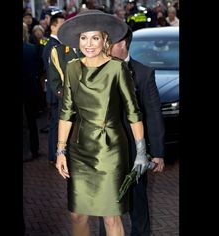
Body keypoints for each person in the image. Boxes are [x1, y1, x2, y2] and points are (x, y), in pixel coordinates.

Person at [55, 10, 152, 236]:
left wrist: (140, 151)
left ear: (104, 40)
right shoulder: (72, 68)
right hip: (80, 152)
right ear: (78, 41)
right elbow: (66, 111)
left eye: (95, 37)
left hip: (111, 152)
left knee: (111, 216)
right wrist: (61, 150)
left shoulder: (117, 68)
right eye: (84, 38)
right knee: (77, 214)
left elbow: (133, 112)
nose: (89, 44)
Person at [99, 27, 165, 236]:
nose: (105, 48)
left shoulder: (144, 73)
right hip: (105, 154)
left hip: (134, 154)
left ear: (122, 44)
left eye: (109, 43)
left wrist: (158, 153)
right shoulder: (97, 71)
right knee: (107, 210)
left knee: (138, 206)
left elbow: (154, 115)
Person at [42, 12, 70, 164]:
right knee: (55, 124)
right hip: (55, 94)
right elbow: (52, 72)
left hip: (56, 94)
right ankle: (54, 155)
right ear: (53, 27)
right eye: (61, 25)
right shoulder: (51, 47)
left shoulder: (59, 45)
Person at [23, 22, 40, 161]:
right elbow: (38, 69)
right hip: (30, 89)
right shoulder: (32, 49)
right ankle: (34, 149)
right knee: (32, 121)